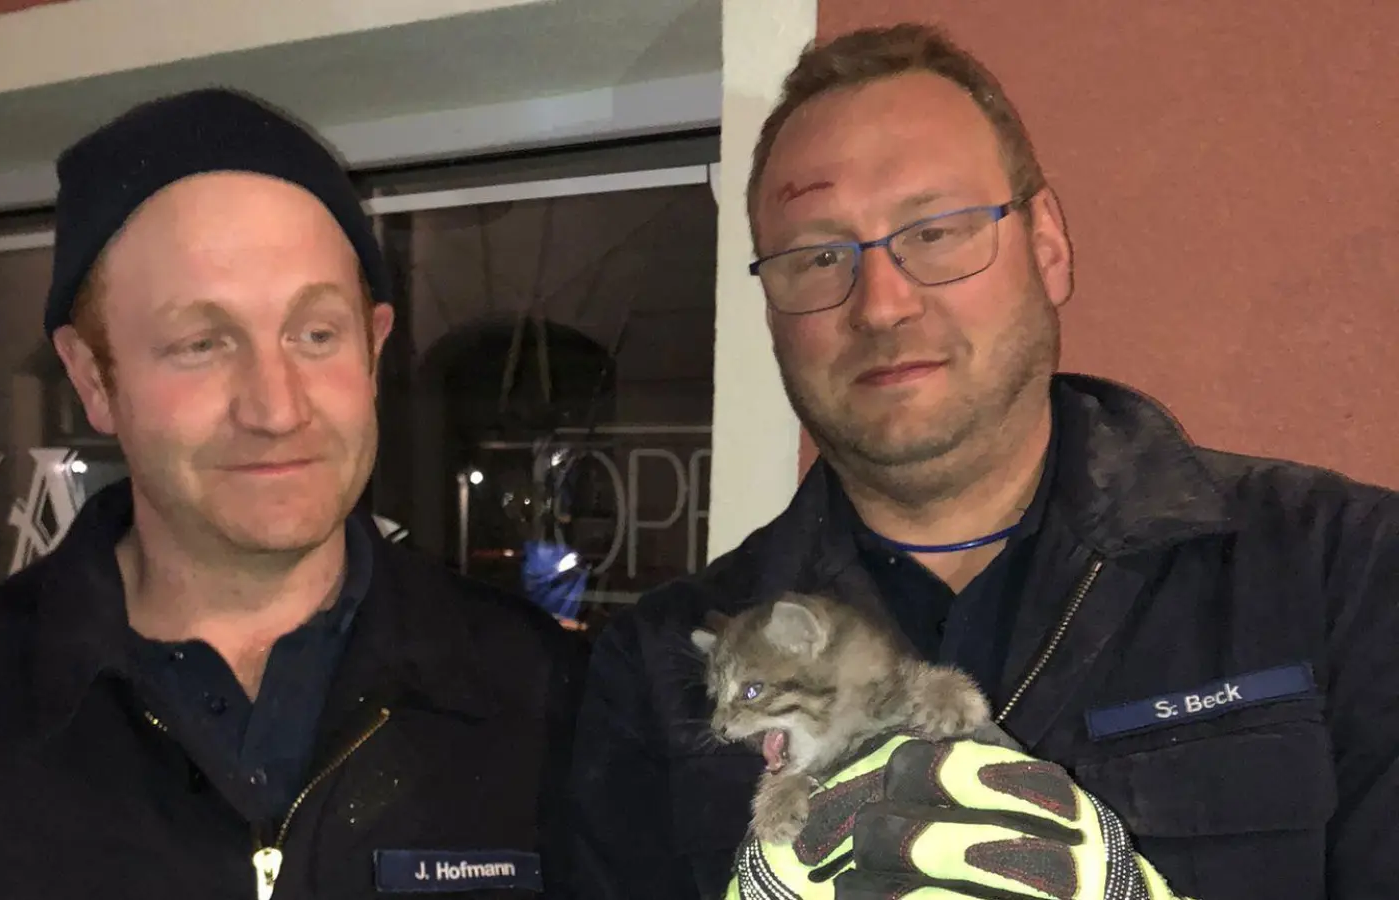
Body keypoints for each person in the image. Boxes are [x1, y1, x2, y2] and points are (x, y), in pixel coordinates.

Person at [570, 22, 1399, 900]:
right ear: (773, 312)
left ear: (1047, 243)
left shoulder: (1345, 571)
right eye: (818, 256)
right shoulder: (652, 668)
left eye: (935, 230)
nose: (881, 304)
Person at [0, 88, 583, 900]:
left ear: (374, 347)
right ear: (92, 380)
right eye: (201, 344)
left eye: (316, 334)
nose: (277, 409)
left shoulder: (547, 695)